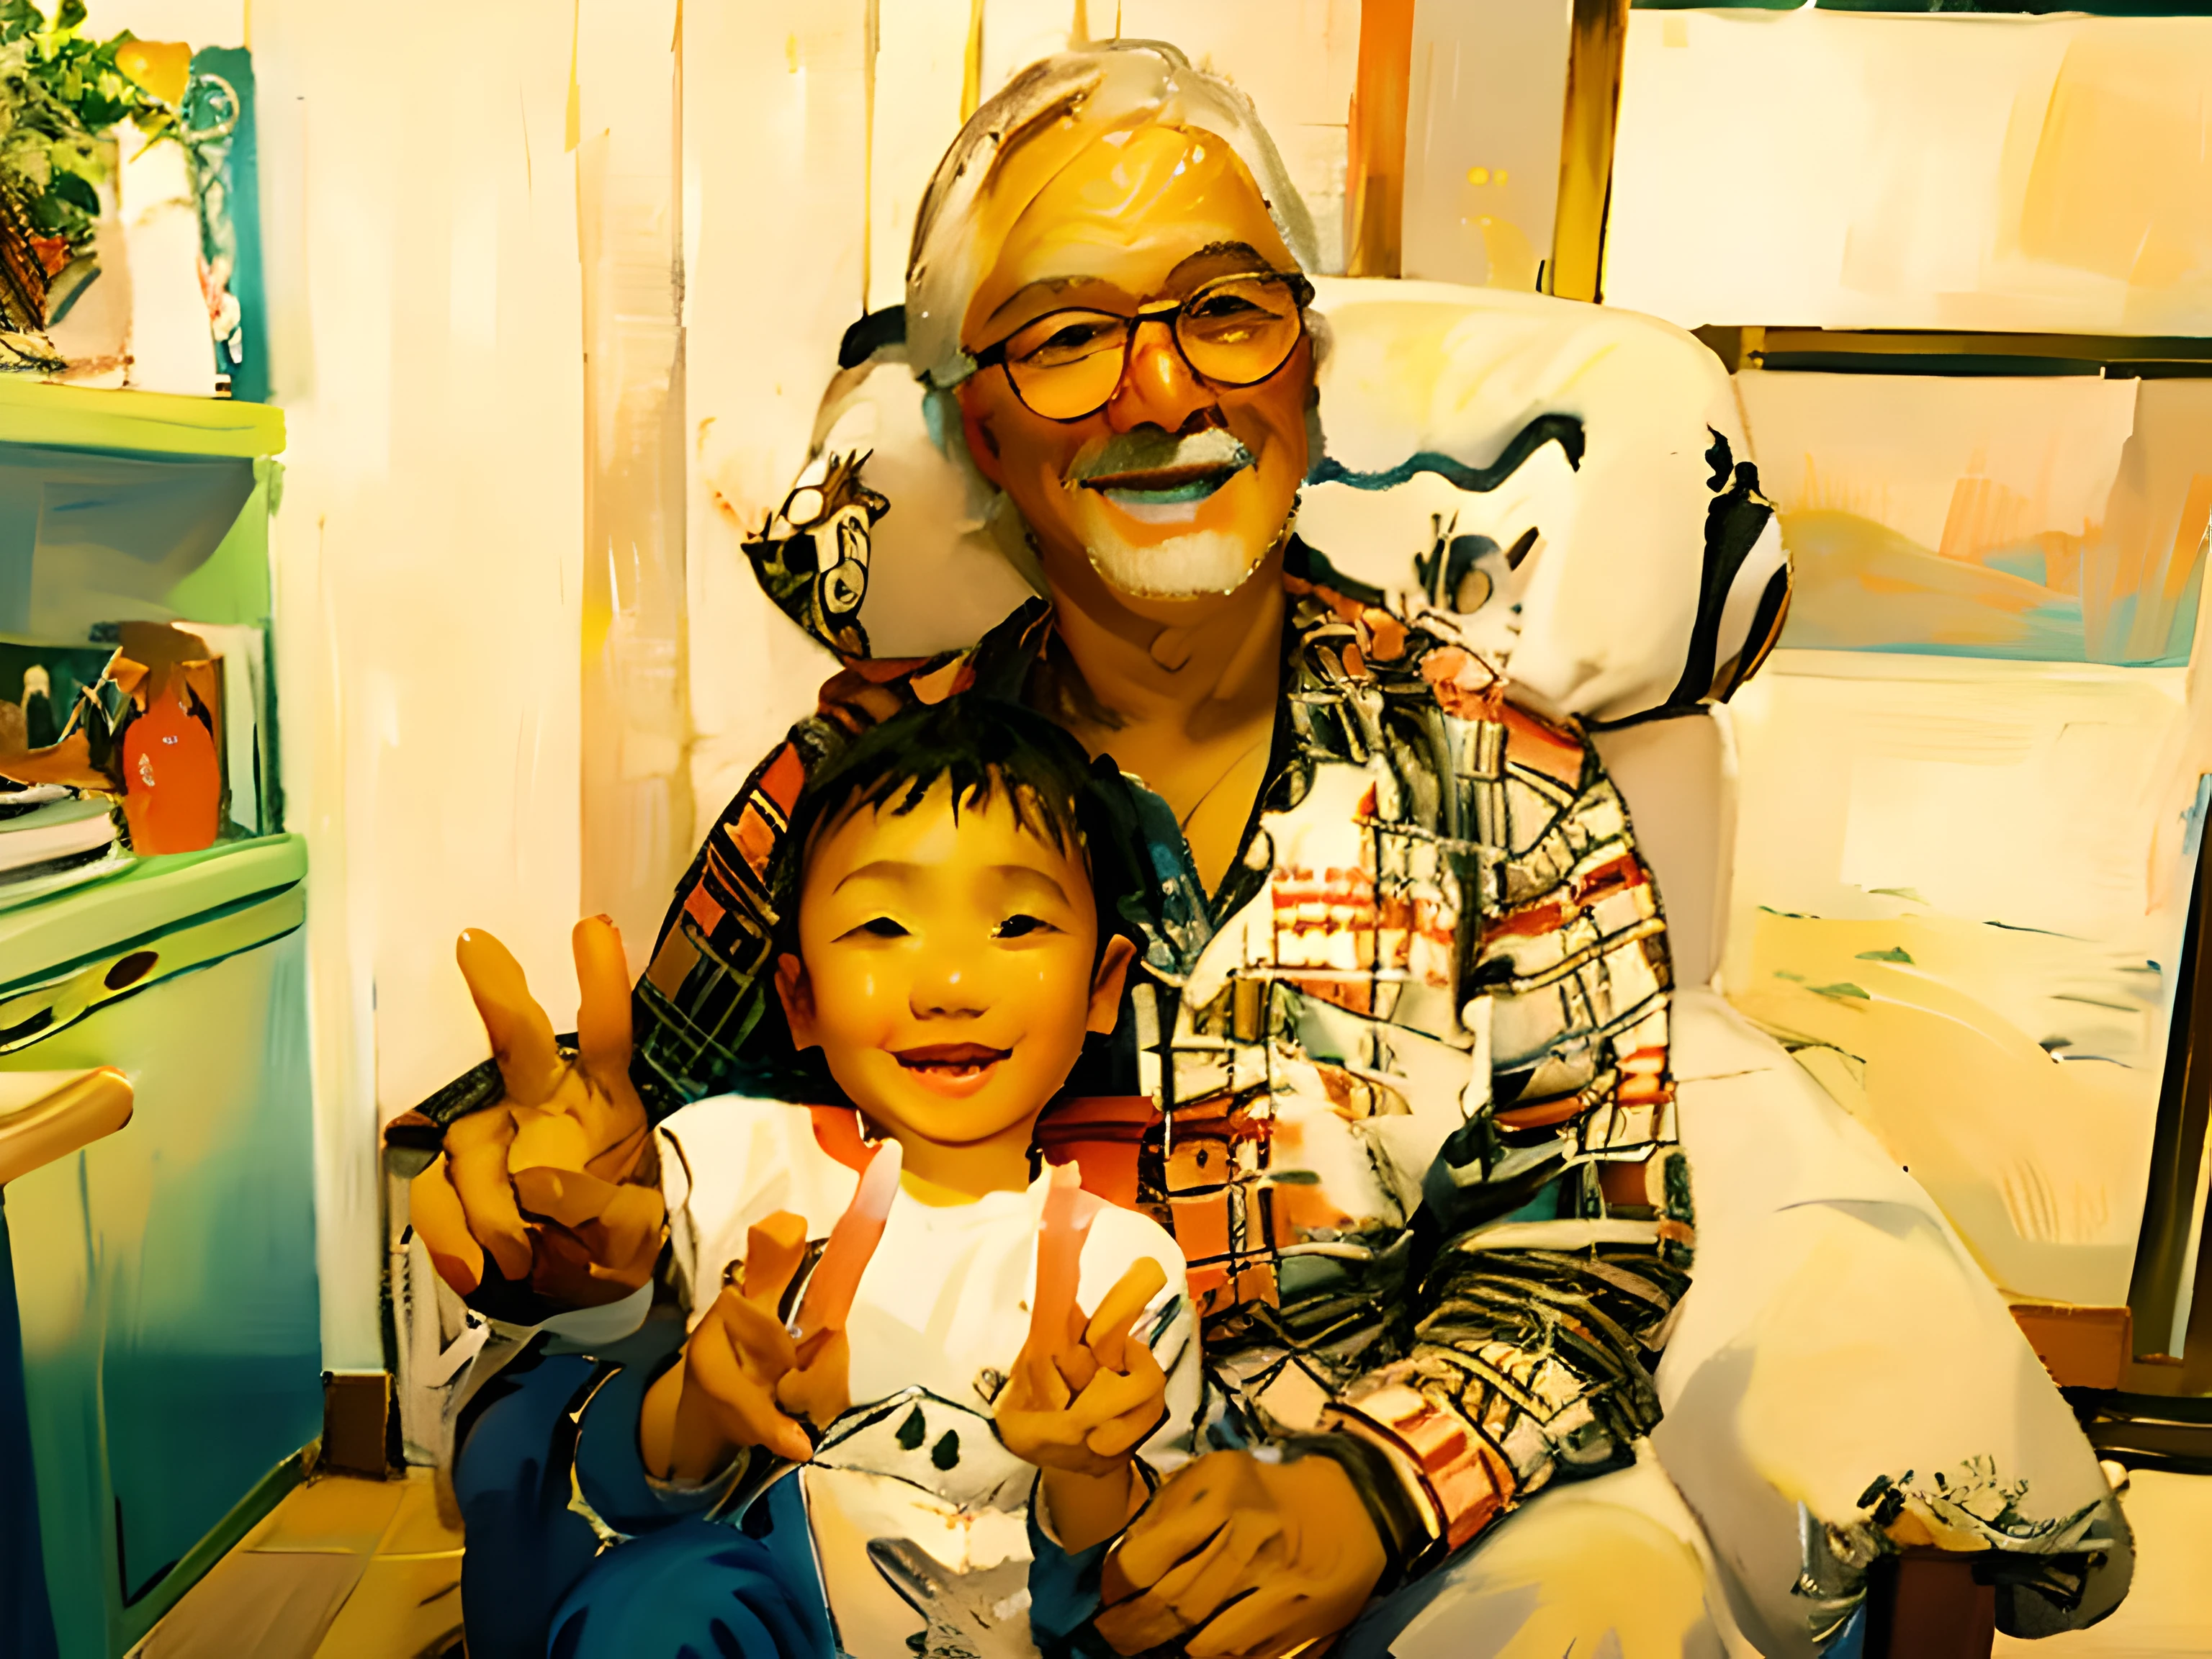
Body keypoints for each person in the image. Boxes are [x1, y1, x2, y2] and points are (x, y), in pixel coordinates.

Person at [415, 40, 2128, 1659]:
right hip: (901, 1518)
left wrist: (1365, 1494)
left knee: (1607, 1605)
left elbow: (1586, 1253)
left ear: (1304, 374)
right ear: (982, 435)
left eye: (1225, 311)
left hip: (1371, 1488)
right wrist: (571, 1215)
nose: (1164, 389)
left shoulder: (1508, 782)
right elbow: (639, 1174)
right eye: (1068, 334)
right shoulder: (846, 783)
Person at [423, 695, 1198, 1656]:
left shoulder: (1129, 1279)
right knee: (657, 1597)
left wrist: (1087, 1470)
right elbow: (614, 1482)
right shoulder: (728, 1167)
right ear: (798, 995)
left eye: (1015, 924)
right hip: (766, 1621)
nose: (949, 984)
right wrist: (702, 1403)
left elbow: (1124, 1598)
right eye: (881, 925)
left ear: (1104, 985)